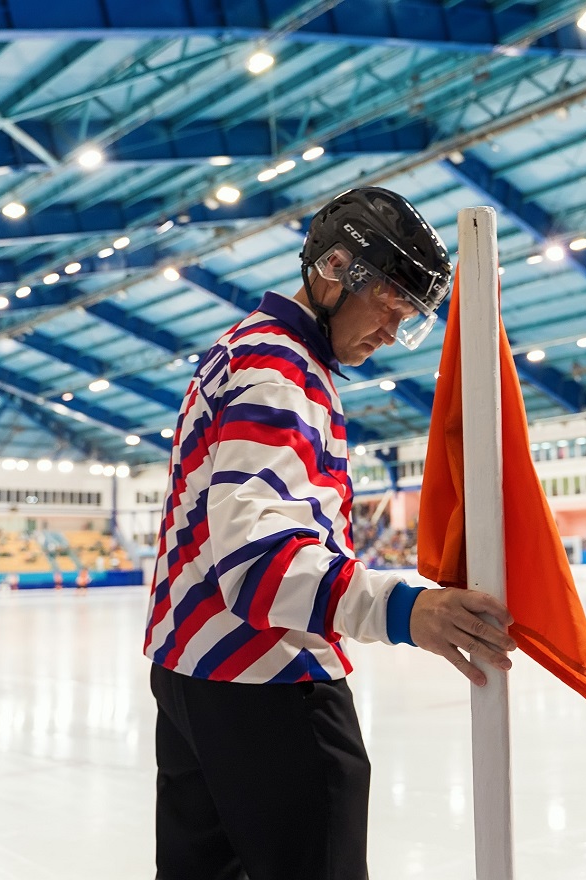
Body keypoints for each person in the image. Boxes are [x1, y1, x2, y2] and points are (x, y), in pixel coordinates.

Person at [145, 187, 517, 880]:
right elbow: (257, 564)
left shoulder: (248, 351)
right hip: (268, 677)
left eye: (410, 317)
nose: (393, 329)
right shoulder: (279, 371)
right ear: (335, 269)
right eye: (390, 305)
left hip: (195, 674)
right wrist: (406, 610)